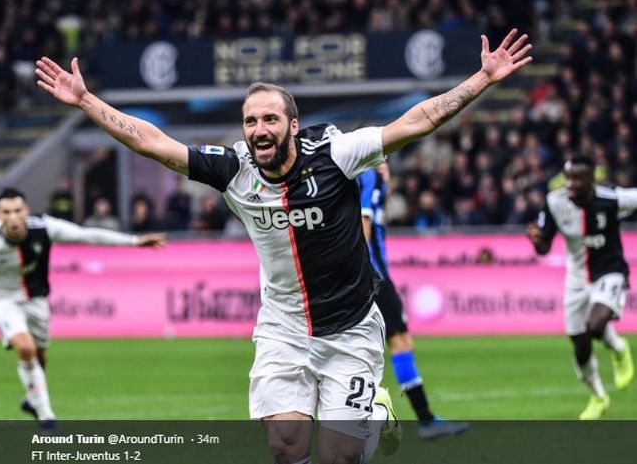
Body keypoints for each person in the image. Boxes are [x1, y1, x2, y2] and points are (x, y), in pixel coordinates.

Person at [36, 28, 531, 462]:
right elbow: (153, 143)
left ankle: (375, 411)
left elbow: (417, 120)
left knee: (339, 458)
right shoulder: (234, 169)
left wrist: (482, 80)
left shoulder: (337, 154)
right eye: (251, 122)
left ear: (292, 125)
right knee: (285, 446)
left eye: (270, 120)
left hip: (351, 329)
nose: (259, 130)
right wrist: (85, 101)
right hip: (283, 329)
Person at [0, 188, 166, 433]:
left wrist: (133, 241)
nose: (13, 217)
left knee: (40, 356)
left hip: (36, 299)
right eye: (6, 212)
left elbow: (86, 235)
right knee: (25, 348)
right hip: (2, 300)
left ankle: (32, 398)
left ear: (25, 210)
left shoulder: (43, 227)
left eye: (17, 211)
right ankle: (46, 415)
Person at [357, 162, 469, 439]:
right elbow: (364, 222)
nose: (388, 167)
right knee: (398, 343)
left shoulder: (363, 179)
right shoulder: (369, 175)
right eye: (384, 158)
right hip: (373, 277)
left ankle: (421, 419)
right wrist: (364, 273)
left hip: (371, 276)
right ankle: (423, 420)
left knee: (388, 345)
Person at [527, 155, 635, 420]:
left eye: (577, 178)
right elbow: (544, 248)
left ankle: (619, 349)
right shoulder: (555, 202)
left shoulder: (612, 199)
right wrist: (536, 240)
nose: (570, 183)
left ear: (591, 180)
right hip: (576, 278)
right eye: (568, 177)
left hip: (609, 272)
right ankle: (598, 396)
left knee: (595, 325)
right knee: (580, 343)